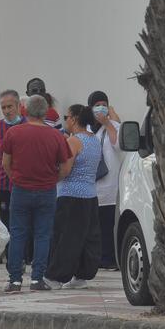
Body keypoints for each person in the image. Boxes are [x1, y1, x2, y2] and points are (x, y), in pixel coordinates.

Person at [1, 94, 72, 292]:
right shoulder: (56, 136)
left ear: (25, 110)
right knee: (42, 235)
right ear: (45, 112)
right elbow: (66, 166)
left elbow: (5, 163)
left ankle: (15, 280)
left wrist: (15, 178)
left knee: (17, 234)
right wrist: (53, 180)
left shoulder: (14, 133)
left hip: (21, 190)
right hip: (46, 191)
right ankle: (37, 279)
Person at [44, 104, 102, 290]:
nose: (65, 120)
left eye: (66, 116)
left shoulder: (74, 142)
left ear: (75, 119)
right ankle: (81, 275)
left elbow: (66, 169)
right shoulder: (94, 140)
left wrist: (52, 179)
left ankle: (55, 277)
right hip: (90, 195)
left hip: (70, 195)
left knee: (65, 237)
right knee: (86, 237)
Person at [0, 90, 25, 262]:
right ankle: (12, 259)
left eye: (10, 106)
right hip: (5, 184)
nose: (7, 111)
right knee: (8, 224)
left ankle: (26, 257)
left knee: (26, 224)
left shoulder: (28, 125)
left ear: (18, 106)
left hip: (27, 185)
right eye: (3, 108)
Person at [88, 90, 123, 270]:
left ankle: (108, 259)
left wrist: (109, 123)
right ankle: (94, 259)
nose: (101, 107)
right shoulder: (86, 129)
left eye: (104, 104)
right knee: (92, 227)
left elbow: (118, 146)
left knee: (107, 225)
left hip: (108, 187)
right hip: (90, 186)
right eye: (96, 104)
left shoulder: (115, 126)